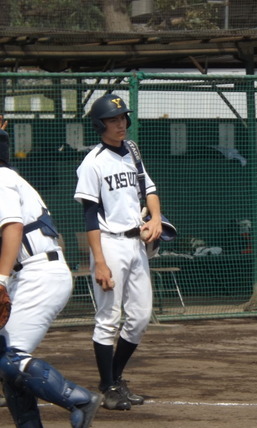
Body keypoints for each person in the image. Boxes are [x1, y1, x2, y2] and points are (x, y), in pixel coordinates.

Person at [0, 125, 101, 428]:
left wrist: (0, 282)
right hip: (31, 272)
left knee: (8, 356)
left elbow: (13, 228)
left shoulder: (1, 178)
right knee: (6, 355)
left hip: (38, 272)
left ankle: (79, 399)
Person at [74, 94, 164, 410]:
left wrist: (154, 218)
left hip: (136, 244)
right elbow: (89, 216)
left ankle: (114, 378)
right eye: (113, 119)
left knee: (139, 317)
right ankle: (109, 386)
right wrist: (99, 262)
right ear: (100, 124)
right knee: (108, 318)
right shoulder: (93, 163)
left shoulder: (132, 151)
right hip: (109, 244)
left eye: (123, 117)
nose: (121, 123)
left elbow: (149, 190)